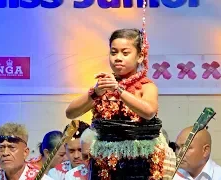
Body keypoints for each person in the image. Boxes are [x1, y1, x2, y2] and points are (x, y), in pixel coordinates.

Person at [65, 28, 176, 179]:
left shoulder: (146, 86)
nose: (118, 58)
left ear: (140, 56)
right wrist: (95, 92)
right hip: (103, 161)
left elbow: (149, 111)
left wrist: (118, 90)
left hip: (139, 162)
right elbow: (70, 113)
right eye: (113, 52)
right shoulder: (103, 87)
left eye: (125, 53)